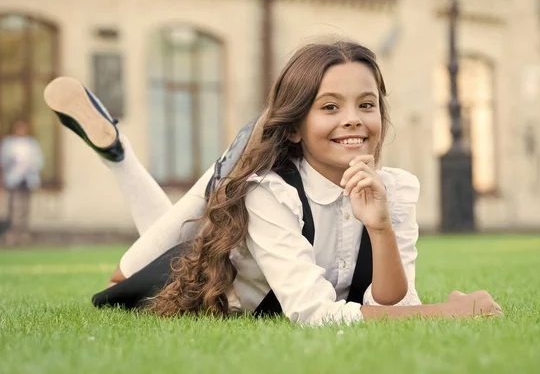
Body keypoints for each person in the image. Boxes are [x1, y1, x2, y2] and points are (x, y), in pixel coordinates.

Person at [44, 41, 503, 325]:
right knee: (122, 277)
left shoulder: (396, 189)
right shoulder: (271, 193)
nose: (353, 120)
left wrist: (380, 230)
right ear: (296, 125)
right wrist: (450, 312)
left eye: (366, 105)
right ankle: (137, 159)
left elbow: (395, 307)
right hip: (208, 277)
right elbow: (316, 314)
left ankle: (145, 158)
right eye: (329, 107)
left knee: (211, 200)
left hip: (245, 203)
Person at [0, 120, 44, 244]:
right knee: (13, 207)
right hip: (13, 179)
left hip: (27, 179)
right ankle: (12, 233)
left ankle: (23, 233)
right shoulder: (9, 143)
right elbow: (3, 161)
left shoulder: (32, 144)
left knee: (25, 207)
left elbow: (39, 160)